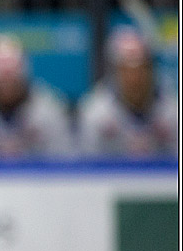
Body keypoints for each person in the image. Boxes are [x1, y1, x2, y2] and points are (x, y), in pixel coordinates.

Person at [76, 27, 178, 159]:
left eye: (141, 69)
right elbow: (85, 169)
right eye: (126, 70)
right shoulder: (95, 113)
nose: (134, 79)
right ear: (114, 72)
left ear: (151, 69)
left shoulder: (173, 112)